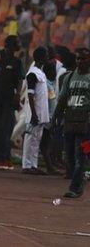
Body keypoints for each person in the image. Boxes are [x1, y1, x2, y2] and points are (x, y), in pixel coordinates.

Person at [52, 47, 90, 198]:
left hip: (86, 123)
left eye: (84, 58)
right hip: (70, 121)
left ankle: (75, 187)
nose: (80, 61)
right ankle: (79, 181)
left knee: (80, 155)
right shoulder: (69, 77)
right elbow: (62, 100)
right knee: (69, 155)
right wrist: (55, 119)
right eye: (78, 58)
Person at [0, 36, 23, 170]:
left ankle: (5, 158)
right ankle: (2, 157)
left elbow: (20, 80)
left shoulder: (17, 62)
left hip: (9, 99)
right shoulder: (3, 61)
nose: (7, 48)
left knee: (5, 128)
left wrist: (17, 94)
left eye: (9, 46)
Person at [22, 47, 50, 175]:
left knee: (36, 140)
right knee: (30, 138)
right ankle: (26, 165)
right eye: (46, 55)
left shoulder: (40, 72)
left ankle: (33, 164)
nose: (47, 57)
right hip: (34, 112)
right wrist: (33, 113)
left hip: (40, 112)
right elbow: (30, 95)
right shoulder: (33, 74)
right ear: (40, 57)